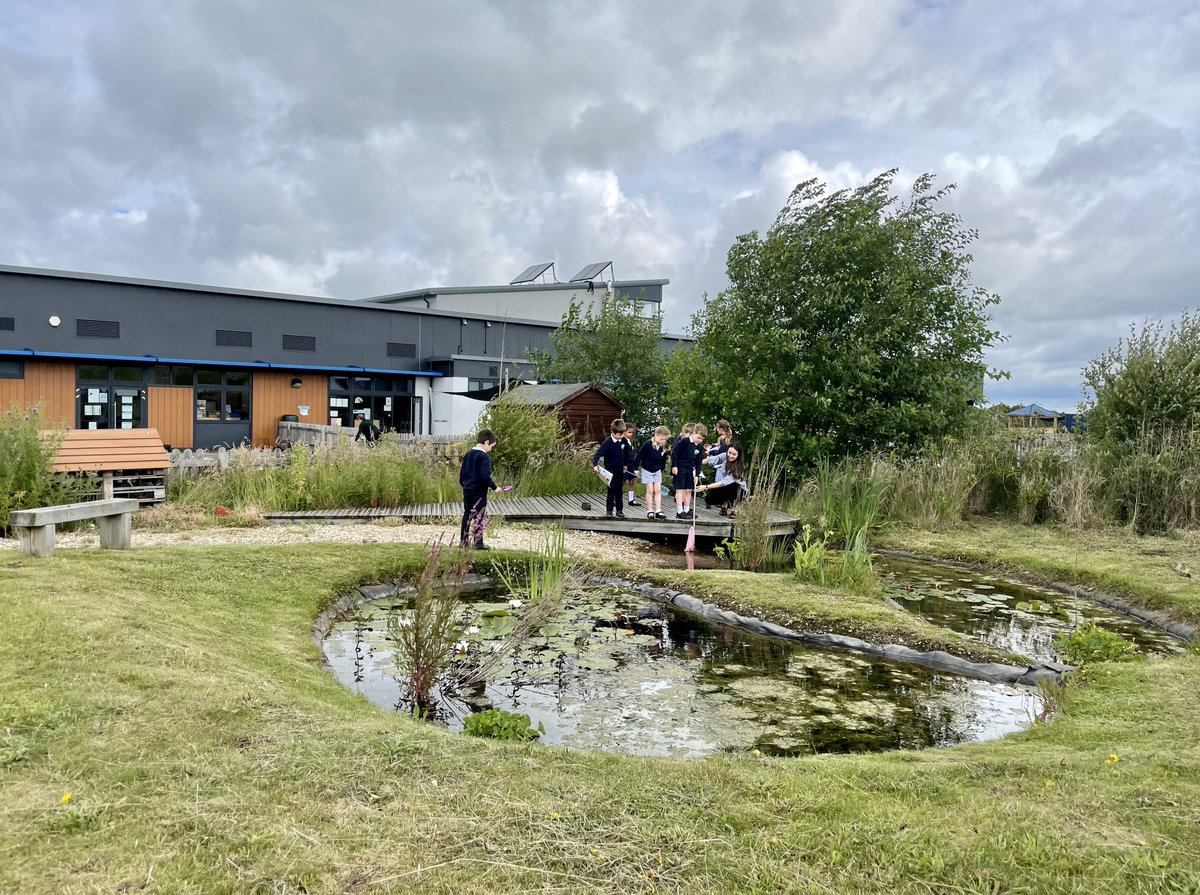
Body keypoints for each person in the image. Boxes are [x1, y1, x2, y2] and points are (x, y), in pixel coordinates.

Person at [460, 428, 499, 549]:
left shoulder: (468, 455)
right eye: (491, 446)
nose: (491, 449)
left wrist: (465, 485)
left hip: (467, 490)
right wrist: (494, 487)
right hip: (479, 491)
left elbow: (462, 475)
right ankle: (478, 543)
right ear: (486, 442)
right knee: (479, 516)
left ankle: (463, 541)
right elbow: (485, 476)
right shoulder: (484, 457)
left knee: (467, 515)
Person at [592, 418, 628, 518]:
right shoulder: (608, 442)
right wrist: (595, 465)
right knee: (611, 490)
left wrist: (626, 465)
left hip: (620, 469)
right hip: (610, 470)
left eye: (622, 434)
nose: (621, 437)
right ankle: (609, 510)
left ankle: (619, 510)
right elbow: (598, 454)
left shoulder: (624, 441)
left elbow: (627, 454)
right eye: (619, 435)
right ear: (613, 432)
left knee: (619, 491)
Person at [698, 443, 748, 515]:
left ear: (738, 455)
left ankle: (736, 508)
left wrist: (706, 487)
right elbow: (711, 459)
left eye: (734, 454)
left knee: (731, 486)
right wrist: (697, 463)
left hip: (739, 490)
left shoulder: (739, 468)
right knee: (708, 499)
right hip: (726, 486)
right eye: (729, 453)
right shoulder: (725, 456)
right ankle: (725, 505)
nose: (730, 456)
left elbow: (724, 482)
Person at [671, 422, 707, 518]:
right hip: (680, 468)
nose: (700, 440)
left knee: (689, 490)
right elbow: (675, 452)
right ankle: (679, 511)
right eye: (698, 438)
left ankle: (686, 510)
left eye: (702, 439)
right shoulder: (685, 441)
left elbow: (698, 462)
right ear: (694, 433)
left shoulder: (699, 447)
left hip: (690, 470)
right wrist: (674, 466)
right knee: (680, 490)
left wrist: (697, 475)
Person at [635, 426, 671, 520]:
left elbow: (663, 459)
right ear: (655, 435)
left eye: (665, 439)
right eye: (661, 439)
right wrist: (635, 468)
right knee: (650, 490)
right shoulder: (647, 444)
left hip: (657, 470)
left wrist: (661, 469)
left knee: (658, 489)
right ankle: (650, 510)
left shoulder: (663, 446)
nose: (663, 441)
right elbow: (639, 456)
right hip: (647, 469)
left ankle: (658, 510)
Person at [622, 423, 641, 508]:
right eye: (629, 432)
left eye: (632, 432)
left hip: (631, 464)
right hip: (625, 464)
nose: (631, 434)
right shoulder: (622, 441)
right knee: (622, 482)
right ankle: (616, 498)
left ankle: (631, 499)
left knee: (632, 481)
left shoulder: (631, 441)